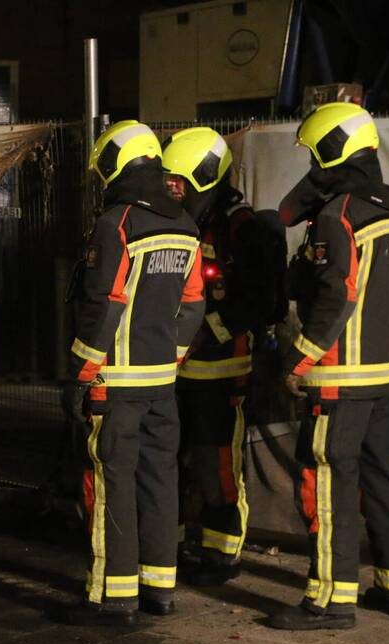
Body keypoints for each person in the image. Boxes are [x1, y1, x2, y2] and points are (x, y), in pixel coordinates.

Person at [269, 103, 389, 630]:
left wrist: (299, 358)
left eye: (316, 155)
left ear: (333, 151)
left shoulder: (338, 216)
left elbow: (337, 295)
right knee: (384, 477)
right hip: (383, 378)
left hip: (338, 381)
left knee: (327, 483)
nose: (312, 165)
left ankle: (330, 602)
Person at [61, 120, 205, 626]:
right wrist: (173, 358)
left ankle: (112, 598)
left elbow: (105, 304)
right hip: (162, 385)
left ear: (117, 163)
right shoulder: (185, 225)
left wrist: (81, 373)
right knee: (160, 481)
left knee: (113, 485)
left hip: (115, 384)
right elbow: (193, 305)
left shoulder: (117, 223)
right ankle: (159, 589)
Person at [161, 127, 281, 586]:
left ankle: (221, 554)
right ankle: (166, 548)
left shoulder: (240, 227)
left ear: (206, 176)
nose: (173, 189)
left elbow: (259, 300)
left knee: (217, 463)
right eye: (169, 181)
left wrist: (204, 332)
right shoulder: (172, 220)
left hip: (220, 370)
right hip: (171, 370)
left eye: (180, 181)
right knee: (167, 460)